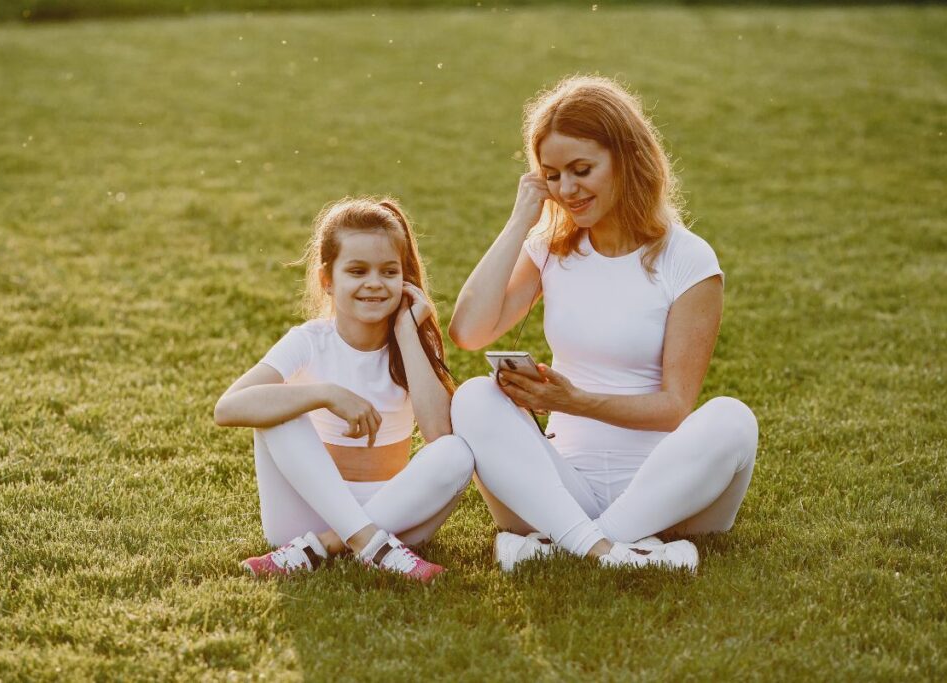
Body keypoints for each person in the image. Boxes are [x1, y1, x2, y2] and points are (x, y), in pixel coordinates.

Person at [448, 75, 758, 573]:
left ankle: (571, 546)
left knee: (733, 419)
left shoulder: (688, 259)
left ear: (626, 159)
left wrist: (573, 401)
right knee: (471, 398)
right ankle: (610, 551)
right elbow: (468, 332)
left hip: (666, 491)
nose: (566, 189)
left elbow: (675, 408)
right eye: (551, 175)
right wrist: (519, 223)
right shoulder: (551, 248)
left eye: (581, 170)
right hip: (565, 484)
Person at [215, 197, 473, 583]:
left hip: (396, 514)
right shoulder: (309, 341)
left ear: (404, 280)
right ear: (327, 280)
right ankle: (373, 546)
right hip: (305, 514)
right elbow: (228, 408)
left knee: (456, 451)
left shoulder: (414, 342)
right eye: (357, 270)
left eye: (389, 271)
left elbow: (439, 438)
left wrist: (406, 334)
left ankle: (322, 548)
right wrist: (325, 394)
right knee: (281, 412)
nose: (374, 283)